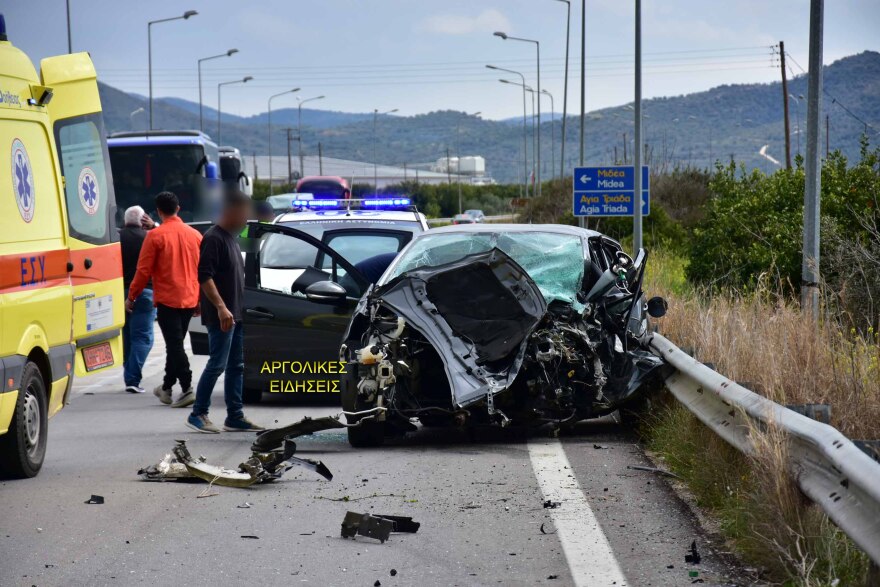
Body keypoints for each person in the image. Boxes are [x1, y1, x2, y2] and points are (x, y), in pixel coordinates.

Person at [187, 190, 263, 433]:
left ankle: (235, 416)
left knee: (236, 366)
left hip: (236, 314)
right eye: (244, 213)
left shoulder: (231, 238)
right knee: (217, 364)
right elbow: (204, 277)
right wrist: (221, 308)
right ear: (230, 211)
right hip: (223, 315)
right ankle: (198, 413)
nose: (246, 219)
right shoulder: (214, 238)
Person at [127, 191, 202, 408]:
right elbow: (202, 271)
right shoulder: (195, 235)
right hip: (189, 298)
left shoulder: (155, 236)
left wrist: (131, 296)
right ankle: (167, 388)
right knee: (174, 345)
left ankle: (187, 387)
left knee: (175, 345)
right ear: (178, 208)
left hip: (168, 299)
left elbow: (143, 271)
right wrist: (199, 300)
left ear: (158, 211)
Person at [120, 206, 156, 393]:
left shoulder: (116, 238)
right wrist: (155, 226)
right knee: (143, 337)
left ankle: (129, 374)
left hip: (120, 292)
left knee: (127, 335)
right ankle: (133, 379)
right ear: (143, 220)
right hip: (145, 292)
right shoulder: (149, 238)